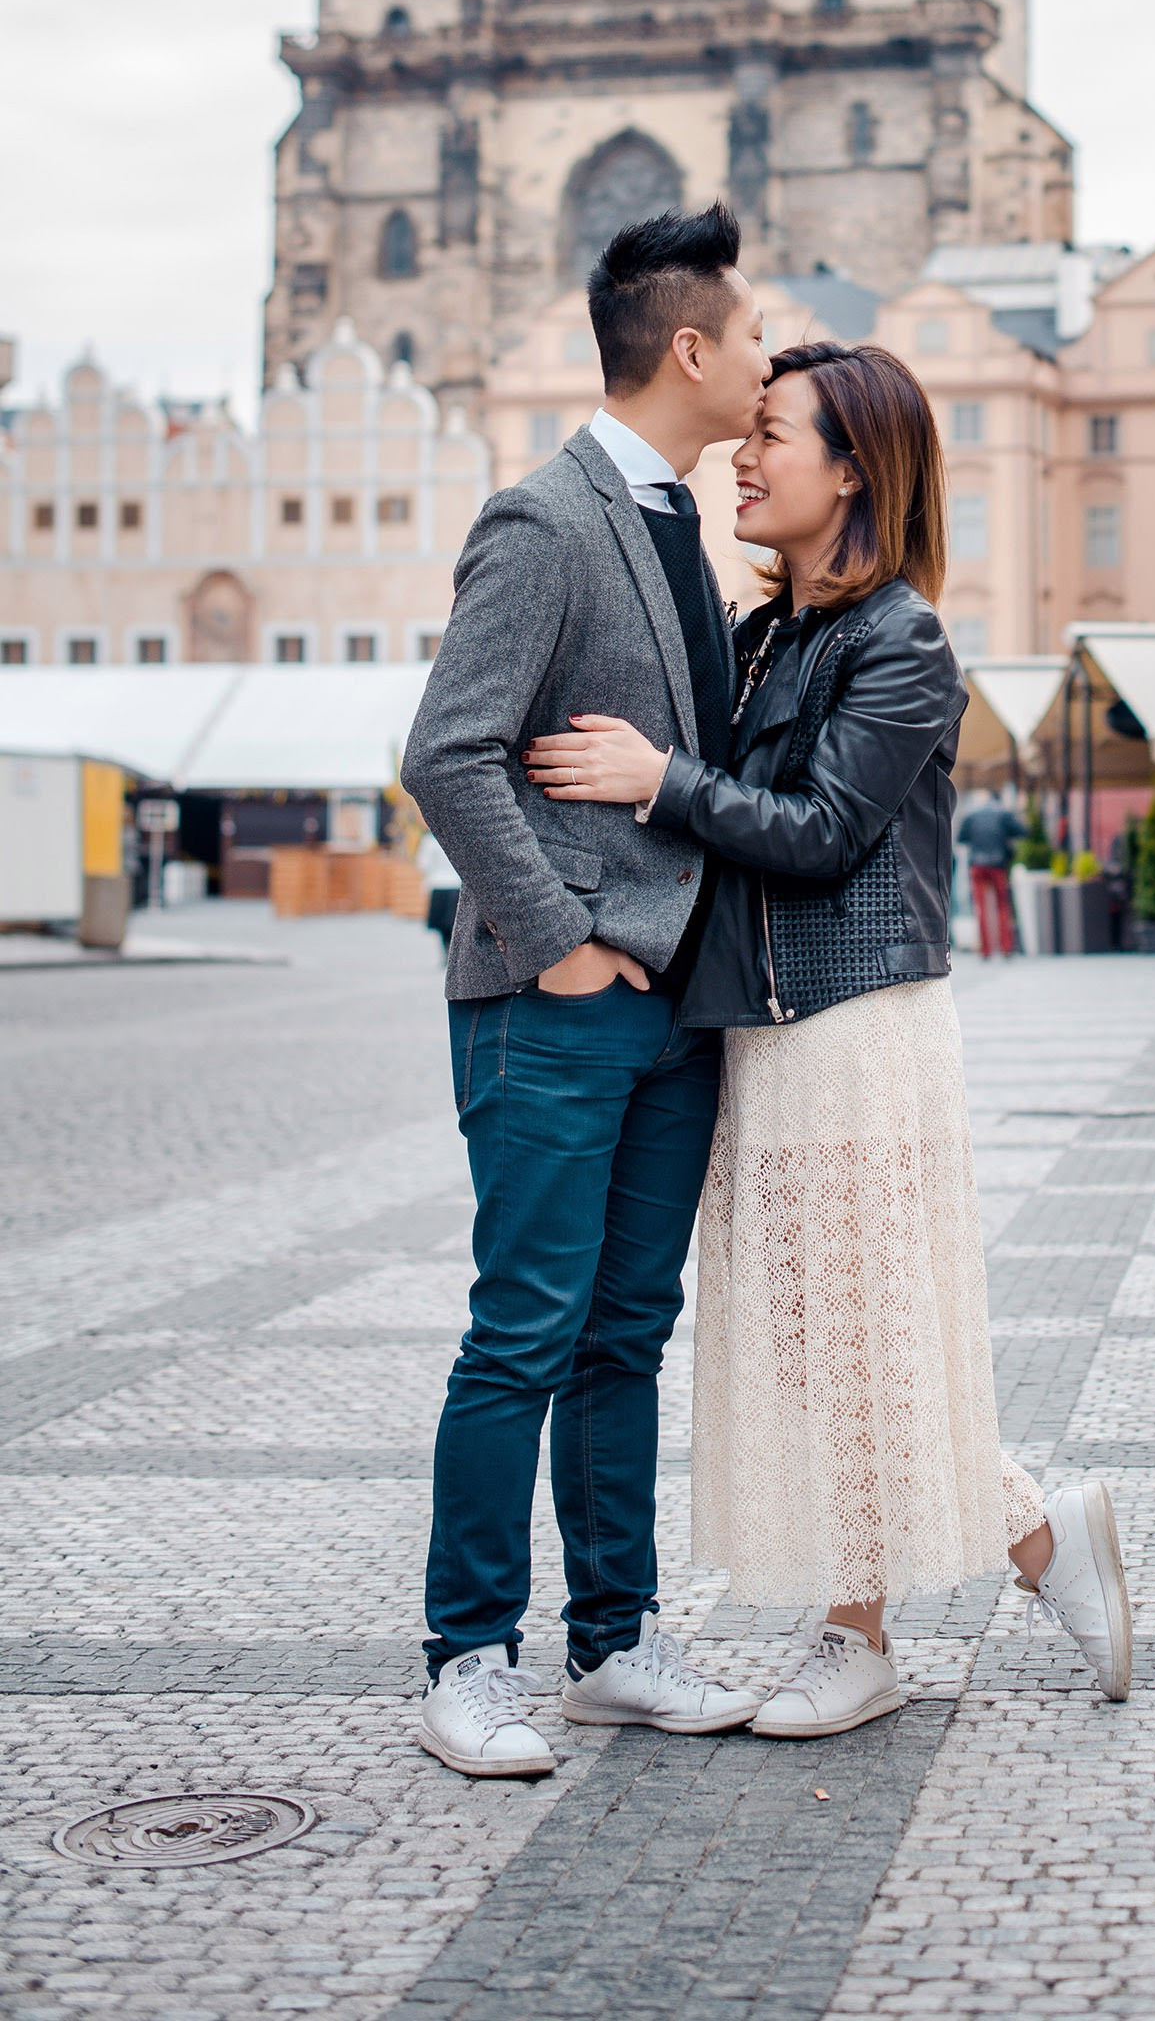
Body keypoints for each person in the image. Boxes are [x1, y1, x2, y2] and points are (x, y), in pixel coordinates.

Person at [524, 340, 1132, 1738]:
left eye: (774, 434)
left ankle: (859, 1636)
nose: (744, 451)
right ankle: (1039, 1536)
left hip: (856, 1024)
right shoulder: (771, 632)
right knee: (819, 1344)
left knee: (848, 1338)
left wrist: (657, 778)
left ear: (854, 469)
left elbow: (820, 838)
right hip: (768, 1025)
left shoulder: (900, 638)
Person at [399, 203, 770, 1780]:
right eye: (751, 334)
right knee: (527, 1329)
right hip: (554, 999)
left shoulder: (684, 524)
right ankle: (467, 1656)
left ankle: (613, 1645)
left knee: (626, 1330)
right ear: (688, 348)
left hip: (670, 1005)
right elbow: (447, 750)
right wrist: (553, 937)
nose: (766, 357)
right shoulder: (546, 521)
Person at [957, 791, 1021, 957]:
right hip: (998, 864)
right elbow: (1021, 831)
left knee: (981, 908)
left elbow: (961, 838)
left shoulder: (972, 815)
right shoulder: (1003, 814)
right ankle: (1006, 948)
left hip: (977, 865)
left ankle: (985, 950)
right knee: (1002, 906)